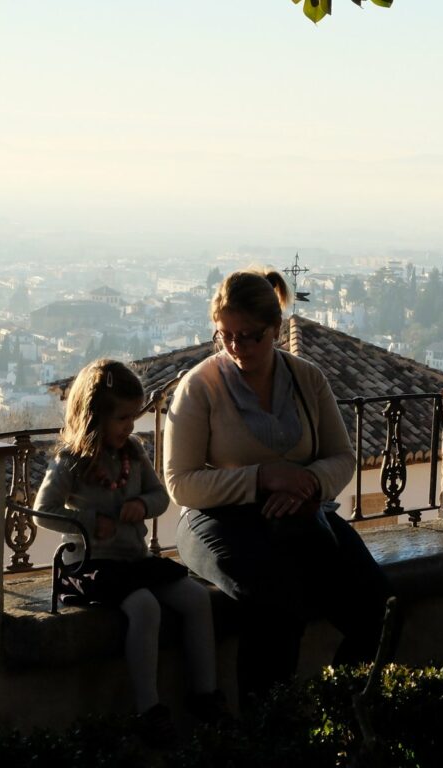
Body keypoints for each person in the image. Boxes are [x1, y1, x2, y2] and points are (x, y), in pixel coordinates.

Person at [164, 268, 392, 704]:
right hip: (216, 520)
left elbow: (342, 457)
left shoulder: (308, 379)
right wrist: (263, 477)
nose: (237, 347)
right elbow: (181, 483)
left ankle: (338, 711)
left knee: (378, 607)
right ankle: (268, 729)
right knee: (274, 604)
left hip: (301, 513)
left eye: (250, 336)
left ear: (276, 329)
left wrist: (307, 481)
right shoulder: (200, 387)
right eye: (225, 335)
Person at [33, 358, 222, 738]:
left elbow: (159, 496)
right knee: (144, 606)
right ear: (94, 416)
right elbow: (42, 512)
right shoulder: (71, 461)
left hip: (133, 560)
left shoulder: (131, 454)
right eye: (121, 418)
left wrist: (142, 506)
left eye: (132, 418)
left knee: (197, 599)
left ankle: (206, 693)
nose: (129, 426)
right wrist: (89, 522)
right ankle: (148, 708)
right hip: (92, 566)